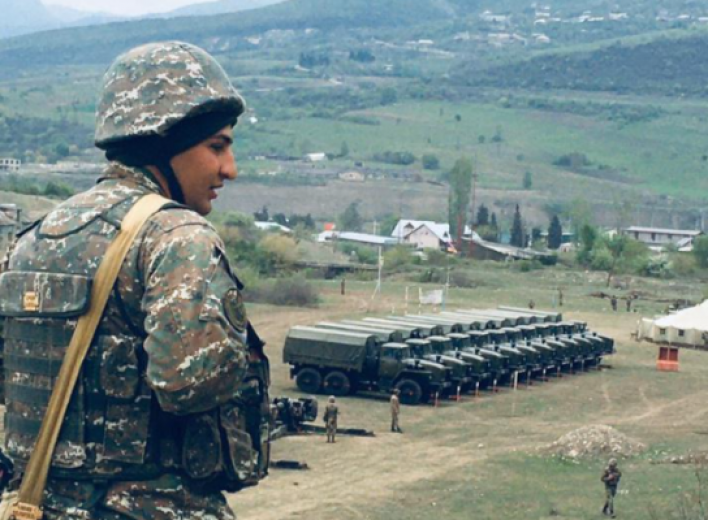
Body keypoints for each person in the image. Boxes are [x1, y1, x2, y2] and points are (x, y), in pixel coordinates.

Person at [0, 41, 270, 520]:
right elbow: (190, 384)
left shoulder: (35, 237)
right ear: (165, 144)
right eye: (217, 146)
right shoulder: (176, 235)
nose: (229, 169)